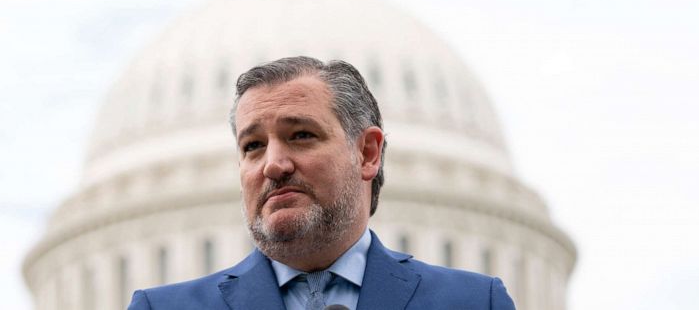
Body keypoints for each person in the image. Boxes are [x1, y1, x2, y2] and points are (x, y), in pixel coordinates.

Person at [128, 56, 515, 310]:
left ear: (367, 153)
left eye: (300, 135)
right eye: (253, 145)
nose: (273, 165)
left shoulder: (476, 303)